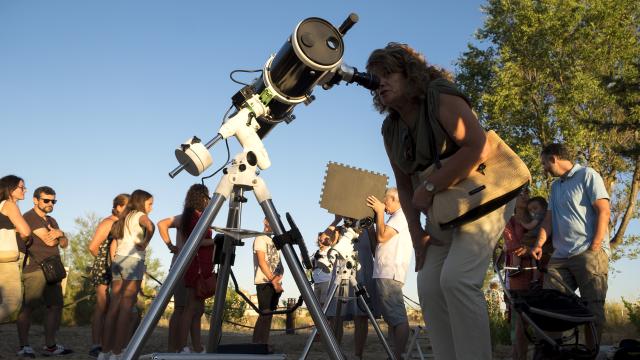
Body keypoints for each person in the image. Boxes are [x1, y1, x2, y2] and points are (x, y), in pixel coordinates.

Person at [366, 42, 515, 360]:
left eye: (388, 73)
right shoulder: (389, 128)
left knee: (457, 280)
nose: (380, 83)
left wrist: (431, 186)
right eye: (375, 78)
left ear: (410, 74)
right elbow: (405, 188)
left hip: (482, 195)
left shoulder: (439, 95)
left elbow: (478, 147)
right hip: (443, 208)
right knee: (430, 288)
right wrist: (417, 235)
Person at [531, 143, 610, 348]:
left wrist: (595, 246)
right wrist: (539, 243)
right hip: (560, 256)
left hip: (587, 253)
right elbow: (549, 219)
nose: (544, 168)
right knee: (551, 303)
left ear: (554, 158)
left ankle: (590, 353)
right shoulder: (555, 187)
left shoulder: (587, 175)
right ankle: (553, 352)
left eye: (544, 163)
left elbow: (604, 210)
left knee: (592, 310)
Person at [16, 186, 73, 357]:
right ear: (35, 200)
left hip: (53, 269)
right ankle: (24, 347)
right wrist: (58, 235)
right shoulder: (29, 217)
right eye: (46, 200)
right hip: (35, 269)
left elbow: (64, 243)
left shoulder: (52, 220)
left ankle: (50, 346)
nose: (50, 203)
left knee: (55, 307)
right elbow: (50, 242)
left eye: (53, 201)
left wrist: (60, 233)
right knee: (28, 308)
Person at [158, 184, 215, 353]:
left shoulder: (199, 217)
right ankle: (176, 348)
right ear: (201, 197)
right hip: (185, 267)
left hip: (195, 267)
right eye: (206, 196)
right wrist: (171, 245)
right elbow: (162, 224)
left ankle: (192, 347)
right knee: (182, 309)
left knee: (195, 309)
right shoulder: (186, 217)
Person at [102, 189, 155, 360]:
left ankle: (105, 352)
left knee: (114, 307)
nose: (151, 208)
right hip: (133, 261)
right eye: (150, 204)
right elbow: (151, 226)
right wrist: (145, 242)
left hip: (118, 260)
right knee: (126, 307)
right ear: (142, 203)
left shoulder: (124, 216)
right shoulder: (139, 215)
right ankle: (118, 352)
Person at [366, 187, 412, 360]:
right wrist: (372, 227)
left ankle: (398, 356)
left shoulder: (401, 215)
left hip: (389, 273)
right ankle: (394, 354)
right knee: (392, 318)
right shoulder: (394, 217)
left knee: (398, 318)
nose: (383, 204)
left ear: (395, 199)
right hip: (384, 272)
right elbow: (378, 246)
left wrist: (379, 213)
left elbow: (383, 237)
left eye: (385, 201)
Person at [87, 193, 130, 358]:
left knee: (113, 307)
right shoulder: (108, 222)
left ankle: (109, 343)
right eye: (127, 207)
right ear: (118, 207)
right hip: (105, 267)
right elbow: (93, 246)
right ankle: (96, 344)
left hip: (116, 267)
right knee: (102, 306)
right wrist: (103, 263)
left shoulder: (121, 223)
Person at [502, 188, 534, 360]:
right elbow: (512, 244)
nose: (524, 197)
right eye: (519, 194)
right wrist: (527, 249)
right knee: (518, 315)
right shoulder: (509, 220)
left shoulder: (537, 219)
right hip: (516, 274)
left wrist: (532, 249)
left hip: (535, 270)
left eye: (526, 194)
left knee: (536, 314)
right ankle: (518, 354)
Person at [0, 175, 31, 323]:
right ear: (11, 189)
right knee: (12, 303)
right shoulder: (10, 205)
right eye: (22, 187)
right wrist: (25, 237)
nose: (25, 190)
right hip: (6, 259)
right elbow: (25, 231)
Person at [252, 218, 284, 345]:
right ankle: (255, 344)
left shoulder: (276, 241)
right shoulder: (260, 238)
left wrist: (279, 277)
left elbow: (279, 262)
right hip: (264, 281)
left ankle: (264, 344)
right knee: (264, 314)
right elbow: (261, 262)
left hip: (275, 281)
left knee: (269, 315)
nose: (266, 225)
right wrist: (272, 280)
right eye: (267, 222)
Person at [514, 196, 548, 282]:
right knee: (535, 259)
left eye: (535, 208)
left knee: (517, 251)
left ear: (544, 207)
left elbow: (530, 226)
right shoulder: (546, 216)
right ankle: (535, 278)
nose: (533, 211)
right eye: (530, 210)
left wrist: (522, 222)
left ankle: (516, 267)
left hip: (532, 237)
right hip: (539, 241)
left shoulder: (539, 215)